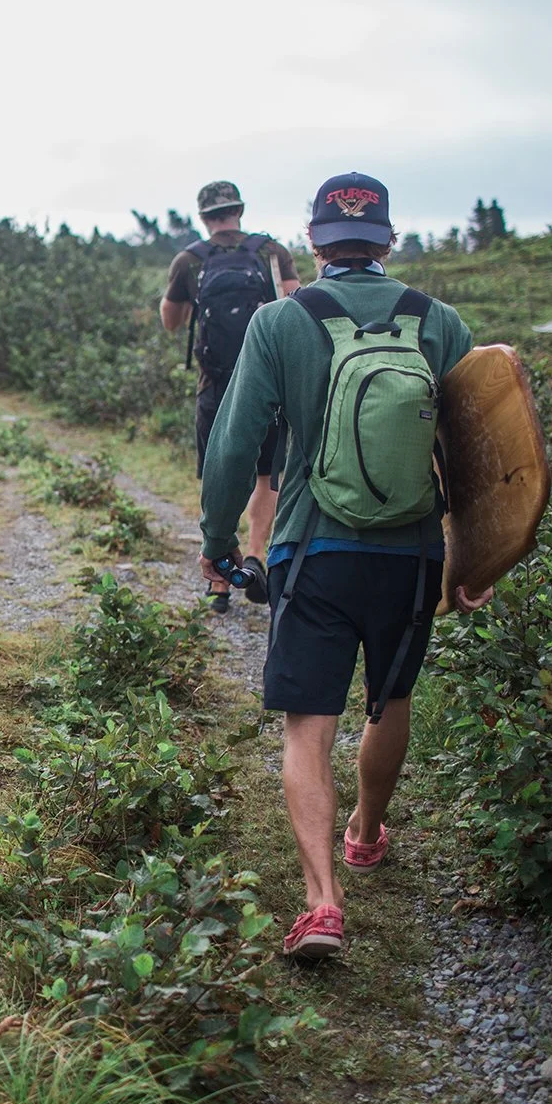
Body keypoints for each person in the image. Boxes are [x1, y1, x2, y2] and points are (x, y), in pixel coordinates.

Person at [198, 172, 493, 960]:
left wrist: (218, 541)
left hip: (311, 545)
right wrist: (476, 553)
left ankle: (323, 904)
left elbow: (233, 446)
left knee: (308, 724)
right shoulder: (440, 322)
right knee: (390, 699)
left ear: (314, 242)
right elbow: (481, 453)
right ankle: (365, 832)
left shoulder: (281, 320)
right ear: (388, 240)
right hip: (412, 551)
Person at [161, 180, 300, 613]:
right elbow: (295, 308)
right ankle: (256, 555)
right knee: (265, 475)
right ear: (239, 210)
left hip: (216, 384)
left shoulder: (190, 259)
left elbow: (171, 322)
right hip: (270, 382)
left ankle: (220, 579)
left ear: (204, 217)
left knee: (219, 472)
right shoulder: (271, 252)